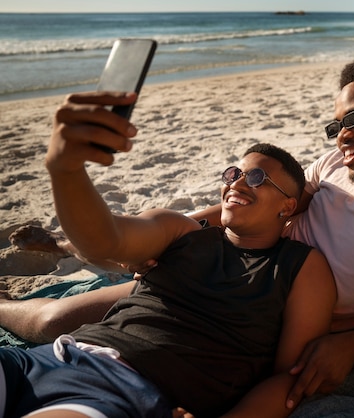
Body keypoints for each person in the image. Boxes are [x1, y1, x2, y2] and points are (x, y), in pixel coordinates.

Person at [4, 58, 354, 409]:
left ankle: (67, 248)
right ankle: (58, 253)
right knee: (50, 321)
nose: (340, 136)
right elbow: (266, 204)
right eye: (336, 124)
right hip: (231, 266)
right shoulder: (334, 168)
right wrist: (185, 238)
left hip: (267, 313)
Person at [0, 93, 336, 418]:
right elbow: (106, 240)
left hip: (123, 389)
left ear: (288, 206)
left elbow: (288, 376)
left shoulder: (300, 266)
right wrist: (66, 170)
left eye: (257, 177)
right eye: (233, 173)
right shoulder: (182, 232)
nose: (237, 183)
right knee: (50, 321)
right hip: (55, 356)